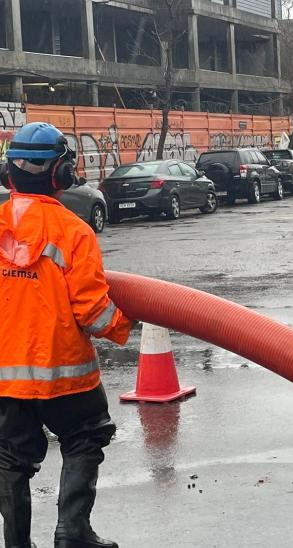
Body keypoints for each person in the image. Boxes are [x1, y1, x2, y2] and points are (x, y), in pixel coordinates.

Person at [0, 122, 132, 548]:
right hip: (65, 374)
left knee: (10, 460)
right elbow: (92, 309)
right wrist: (124, 325)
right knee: (84, 438)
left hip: (4, 380)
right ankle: (72, 532)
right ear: (61, 174)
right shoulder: (73, 230)